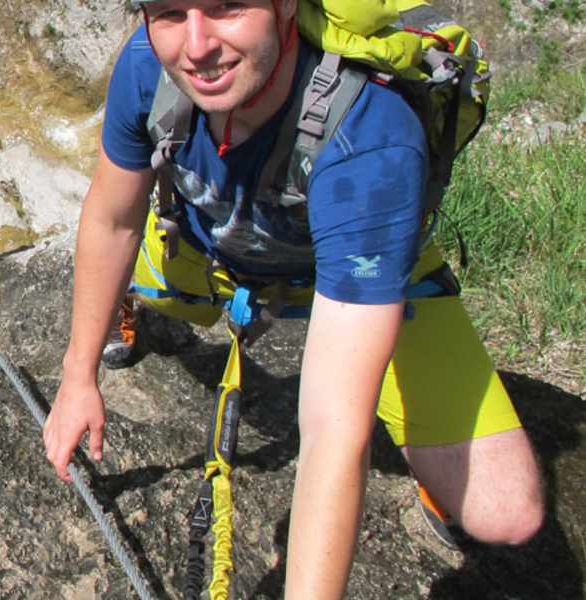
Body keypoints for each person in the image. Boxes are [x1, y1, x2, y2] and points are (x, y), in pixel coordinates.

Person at [40, 0, 543, 596]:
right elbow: (114, 220)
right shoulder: (151, 62)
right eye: (170, 11)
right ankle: (132, 300)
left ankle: (404, 402)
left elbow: (333, 430)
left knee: (507, 511)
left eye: (227, 7)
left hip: (359, 272)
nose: (197, 46)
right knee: (131, 265)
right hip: (204, 252)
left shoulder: (370, 138)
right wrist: (78, 375)